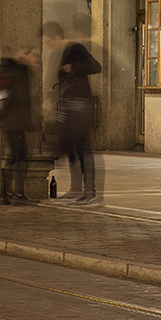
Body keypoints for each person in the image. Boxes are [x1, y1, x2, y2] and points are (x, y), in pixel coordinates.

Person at [0, 48, 37, 204]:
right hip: (15, 122)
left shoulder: (5, 69)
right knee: (20, 157)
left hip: (5, 122)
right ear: (24, 55)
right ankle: (16, 194)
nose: (36, 59)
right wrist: (31, 122)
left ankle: (6, 194)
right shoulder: (19, 72)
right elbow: (23, 100)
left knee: (13, 157)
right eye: (34, 55)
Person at [55, 14, 102, 203]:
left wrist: (72, 67)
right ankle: (75, 188)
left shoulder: (77, 49)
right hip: (69, 107)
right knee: (72, 149)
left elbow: (95, 66)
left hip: (80, 108)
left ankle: (89, 190)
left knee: (82, 149)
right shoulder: (66, 51)